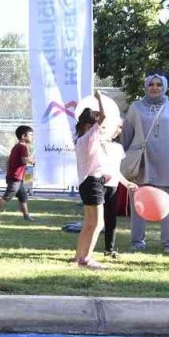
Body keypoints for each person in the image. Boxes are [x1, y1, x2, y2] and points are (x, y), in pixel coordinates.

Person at [121, 73, 169, 253]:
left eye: (159, 84)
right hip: (141, 163)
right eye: (151, 84)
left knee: (168, 205)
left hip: (168, 163)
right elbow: (126, 135)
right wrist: (122, 159)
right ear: (146, 86)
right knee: (138, 204)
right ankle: (137, 241)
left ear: (164, 87)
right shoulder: (135, 107)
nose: (155, 87)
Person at [72, 94, 110, 269]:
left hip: (86, 183)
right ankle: (87, 258)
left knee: (88, 223)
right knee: (98, 223)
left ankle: (79, 255)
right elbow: (104, 117)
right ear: (89, 125)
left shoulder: (80, 140)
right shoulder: (89, 137)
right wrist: (99, 98)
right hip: (93, 182)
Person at [0, 126, 36, 221]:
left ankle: (26, 216)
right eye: (31, 135)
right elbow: (24, 161)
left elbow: (9, 160)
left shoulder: (17, 146)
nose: (32, 137)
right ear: (23, 136)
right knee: (7, 197)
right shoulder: (22, 147)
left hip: (15, 177)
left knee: (23, 196)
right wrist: (33, 161)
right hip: (16, 178)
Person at [102, 123, 135, 259]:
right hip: (98, 185)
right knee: (95, 221)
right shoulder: (97, 144)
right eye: (116, 126)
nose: (118, 130)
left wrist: (126, 183)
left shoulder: (118, 148)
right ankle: (84, 252)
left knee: (111, 219)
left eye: (120, 127)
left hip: (113, 186)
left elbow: (116, 170)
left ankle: (109, 249)